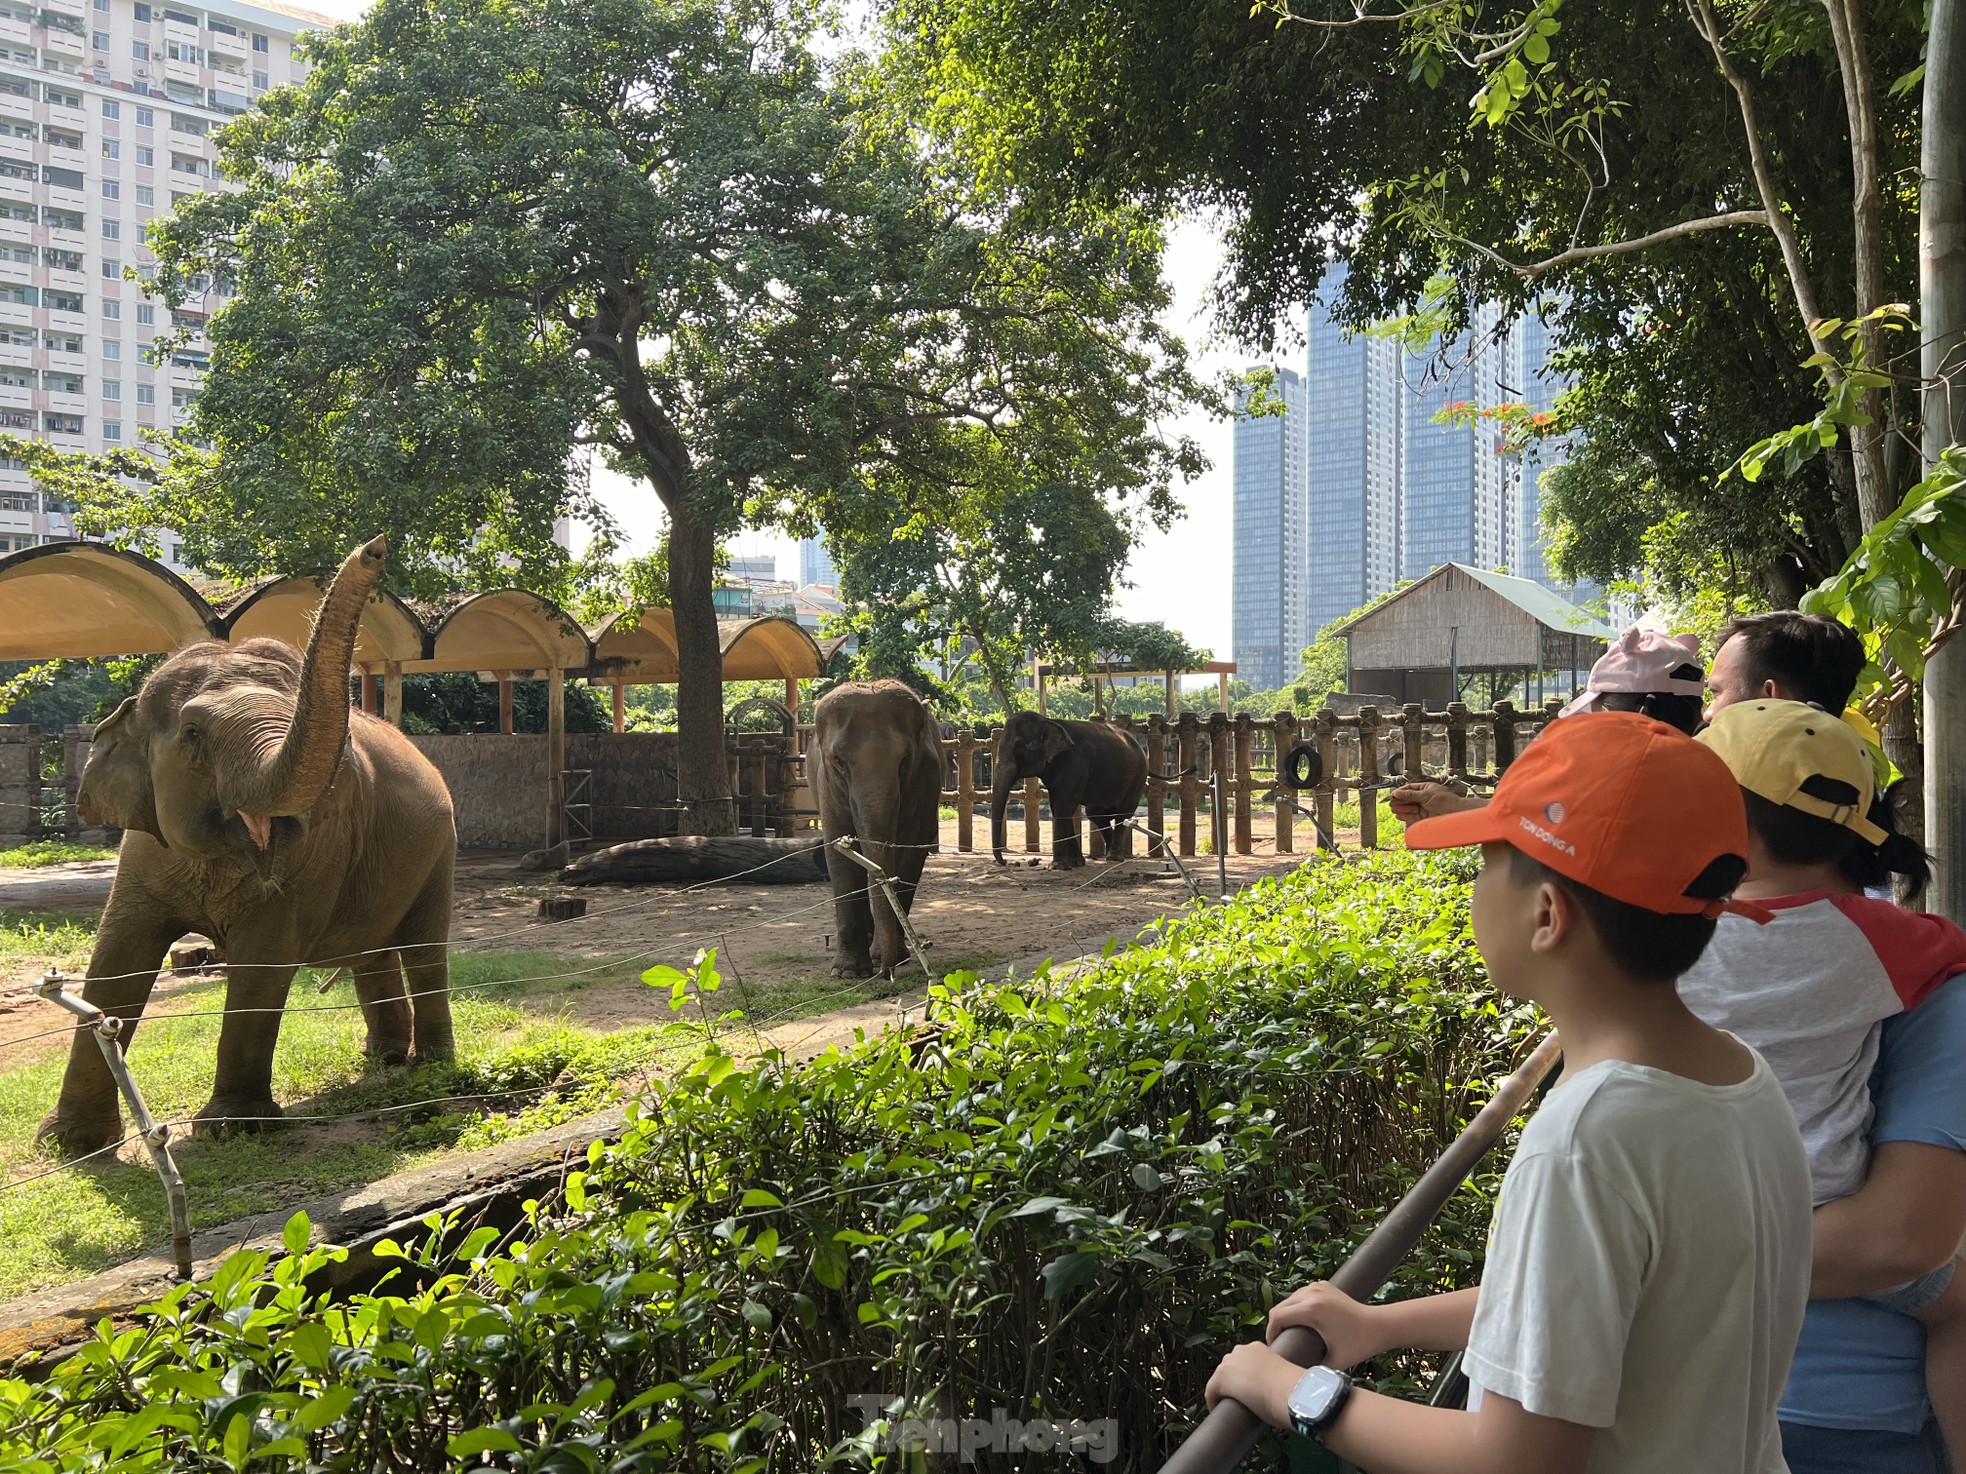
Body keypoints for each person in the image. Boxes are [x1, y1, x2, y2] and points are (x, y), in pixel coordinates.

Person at [1205, 712, 1813, 1474]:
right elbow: (1601, 1306)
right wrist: (1379, 1324)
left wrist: (1292, 1390)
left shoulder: (1586, 1140)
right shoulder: (1740, 1080)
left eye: (1485, 865)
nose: (1472, 891)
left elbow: (1516, 1458)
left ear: (1547, 915)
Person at [1678, 699, 1966, 1463]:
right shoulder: (1886, 942)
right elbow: (1950, 954)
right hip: (1823, 1205)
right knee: (1962, 1311)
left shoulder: (1674, 932)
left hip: (1686, 1207)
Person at [1388, 626, 1705, 824]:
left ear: (1639, 715)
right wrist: (1454, 805)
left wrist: (1455, 806)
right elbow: (1542, 811)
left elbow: (1545, 817)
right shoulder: (1706, 775)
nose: (1586, 727)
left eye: (1595, 713)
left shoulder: (1616, 791)